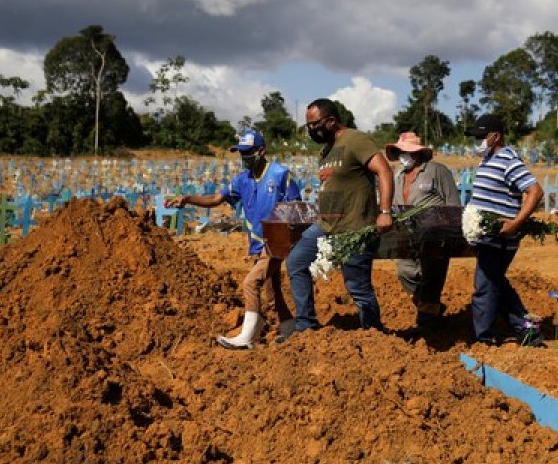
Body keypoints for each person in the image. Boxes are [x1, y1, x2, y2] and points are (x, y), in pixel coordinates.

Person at [166, 130, 301, 349]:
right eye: (241, 153)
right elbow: (216, 198)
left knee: (250, 283)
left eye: (248, 152)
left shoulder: (279, 174)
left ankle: (246, 337)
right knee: (271, 288)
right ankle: (290, 329)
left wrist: (288, 236)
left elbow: (296, 207)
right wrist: (188, 199)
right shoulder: (242, 180)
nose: (244, 157)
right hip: (257, 242)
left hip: (277, 240)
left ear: (261, 151)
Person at [285, 98, 394, 333]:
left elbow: (384, 170)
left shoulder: (356, 140)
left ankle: (375, 333)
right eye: (308, 126)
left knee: (357, 286)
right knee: (296, 262)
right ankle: (305, 327)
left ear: (331, 121)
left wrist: (384, 211)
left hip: (354, 226)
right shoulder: (326, 150)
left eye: (314, 124)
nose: (311, 130)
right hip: (325, 226)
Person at [465, 114, 544, 346]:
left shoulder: (509, 160)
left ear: (496, 136)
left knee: (485, 286)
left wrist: (515, 223)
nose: (477, 141)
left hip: (498, 238)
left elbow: (535, 192)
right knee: (494, 282)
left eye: (481, 136)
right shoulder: (488, 159)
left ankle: (483, 338)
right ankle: (527, 330)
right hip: (485, 236)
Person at [384, 131, 460, 331]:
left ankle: (427, 321)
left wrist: (451, 229)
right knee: (404, 271)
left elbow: (452, 203)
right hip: (407, 234)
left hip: (435, 233)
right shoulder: (399, 177)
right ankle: (430, 306)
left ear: (418, 153)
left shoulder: (437, 171)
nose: (403, 155)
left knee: (432, 275)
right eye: (400, 152)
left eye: (407, 151)